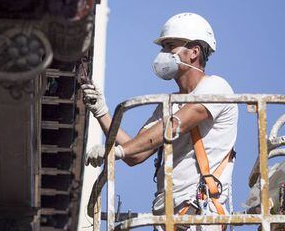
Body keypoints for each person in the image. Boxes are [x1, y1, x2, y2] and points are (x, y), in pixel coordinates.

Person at [82, 12, 238, 230]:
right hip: (168, 217)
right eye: (163, 47)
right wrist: (101, 112)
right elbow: (135, 152)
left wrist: (118, 152)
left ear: (194, 52)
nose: (163, 54)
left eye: (170, 46)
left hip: (200, 216)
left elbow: (175, 125)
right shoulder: (167, 104)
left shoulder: (216, 88)